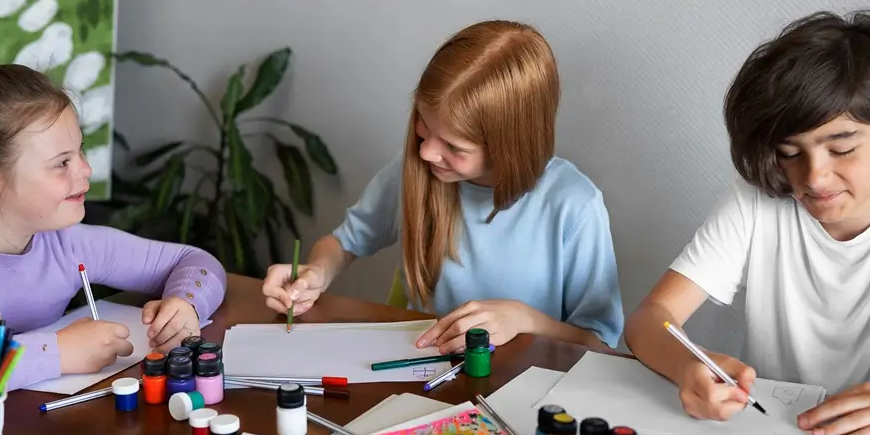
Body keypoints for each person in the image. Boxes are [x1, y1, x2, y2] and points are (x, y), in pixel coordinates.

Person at [623, 10, 870, 435]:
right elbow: (650, 319)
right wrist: (689, 366)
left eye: (841, 148)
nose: (813, 177)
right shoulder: (757, 204)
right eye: (791, 153)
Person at [0, 64, 227, 415]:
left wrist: (186, 304)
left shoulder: (62, 239)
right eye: (61, 163)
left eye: (80, 151)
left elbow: (194, 262)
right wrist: (55, 353)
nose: (85, 170)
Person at [262, 20, 624, 353]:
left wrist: (525, 320)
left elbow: (599, 344)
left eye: (454, 146)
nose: (427, 151)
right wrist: (315, 274)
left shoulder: (575, 206)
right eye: (423, 126)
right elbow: (344, 242)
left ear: (511, 145)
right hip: (422, 373)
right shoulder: (413, 172)